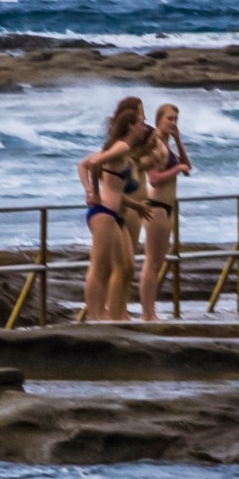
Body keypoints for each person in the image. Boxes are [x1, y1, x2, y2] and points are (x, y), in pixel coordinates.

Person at [78, 97, 152, 321]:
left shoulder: (121, 149)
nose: (144, 126)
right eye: (140, 122)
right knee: (99, 267)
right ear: (130, 126)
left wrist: (135, 205)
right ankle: (96, 315)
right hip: (103, 213)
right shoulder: (122, 146)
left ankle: (115, 314)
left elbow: (113, 186)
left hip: (113, 213)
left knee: (126, 265)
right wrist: (92, 192)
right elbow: (91, 163)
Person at [138, 103, 192, 321]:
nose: (173, 123)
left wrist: (178, 140)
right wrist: (177, 169)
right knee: (151, 262)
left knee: (159, 262)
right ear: (158, 119)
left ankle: (151, 311)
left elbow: (188, 167)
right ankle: (147, 313)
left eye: (176, 119)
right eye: (169, 119)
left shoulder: (168, 145)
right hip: (156, 205)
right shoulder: (154, 143)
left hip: (168, 207)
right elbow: (154, 178)